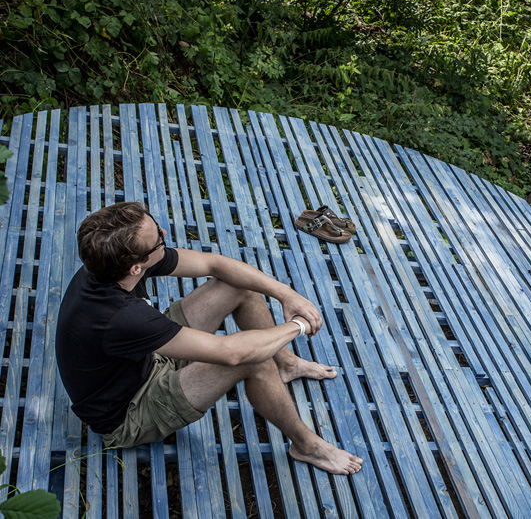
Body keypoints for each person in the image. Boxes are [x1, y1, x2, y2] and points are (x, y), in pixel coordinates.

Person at [55, 202, 362, 475]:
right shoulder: (119, 315)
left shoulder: (112, 264)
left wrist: (286, 294)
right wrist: (297, 326)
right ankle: (306, 446)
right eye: (159, 238)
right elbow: (232, 354)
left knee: (238, 285)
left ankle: (288, 364)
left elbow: (214, 264)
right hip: (129, 412)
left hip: (143, 357)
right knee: (253, 362)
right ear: (137, 266)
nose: (164, 232)